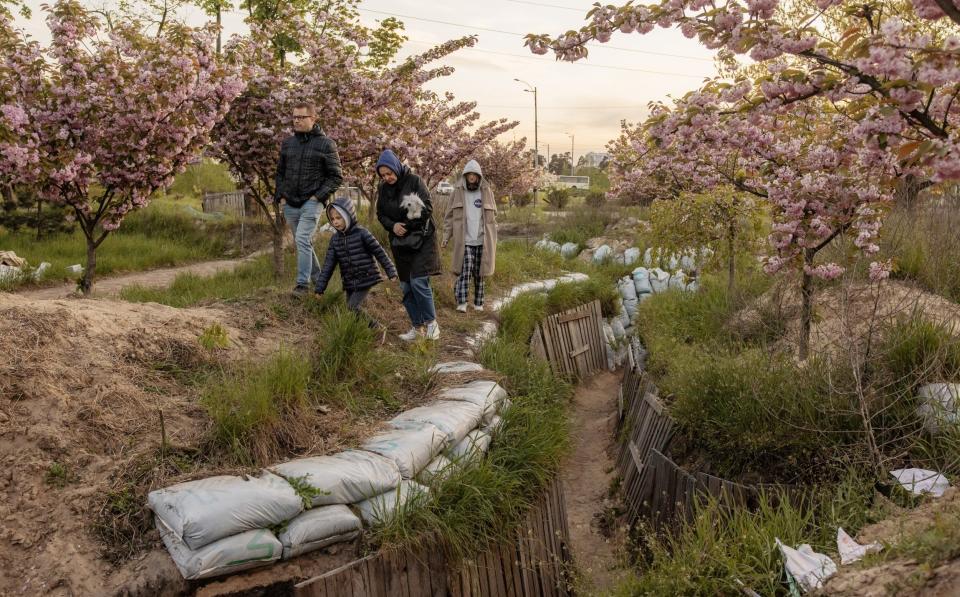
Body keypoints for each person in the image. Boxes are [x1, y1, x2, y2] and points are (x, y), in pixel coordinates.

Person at [274, 101, 343, 296]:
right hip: (290, 203)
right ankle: (319, 279)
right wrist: (282, 196)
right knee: (302, 241)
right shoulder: (288, 144)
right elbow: (280, 173)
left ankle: (302, 285)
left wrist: (316, 197)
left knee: (303, 239)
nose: (296, 121)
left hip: (311, 203)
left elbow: (336, 176)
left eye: (301, 117)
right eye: (294, 117)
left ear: (313, 118)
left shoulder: (326, 144)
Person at [375, 149, 442, 341]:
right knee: (405, 286)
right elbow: (380, 214)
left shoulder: (414, 181)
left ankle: (432, 324)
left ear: (396, 167)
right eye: (383, 175)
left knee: (419, 282)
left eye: (389, 173)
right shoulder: (383, 188)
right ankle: (417, 326)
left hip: (422, 239)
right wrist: (393, 226)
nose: (387, 178)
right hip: (399, 242)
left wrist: (407, 225)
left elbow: (427, 207)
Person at [315, 197, 397, 330]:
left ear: (348, 215)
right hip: (349, 281)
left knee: (352, 306)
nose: (335, 222)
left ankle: (377, 327)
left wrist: (391, 271)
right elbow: (328, 266)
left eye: (339, 218)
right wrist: (320, 287)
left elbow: (379, 252)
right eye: (332, 219)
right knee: (351, 310)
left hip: (366, 277)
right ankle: (357, 332)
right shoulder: (335, 240)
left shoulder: (362, 233)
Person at [442, 159, 497, 312]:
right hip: (465, 240)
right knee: (464, 272)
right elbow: (449, 217)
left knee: (480, 273)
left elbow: (493, 217)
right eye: (469, 174)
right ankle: (462, 302)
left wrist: (493, 238)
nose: (472, 177)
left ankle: (479, 303)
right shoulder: (457, 192)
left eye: (475, 174)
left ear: (479, 176)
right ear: (465, 175)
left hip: (482, 240)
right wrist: (446, 237)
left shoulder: (486, 191)